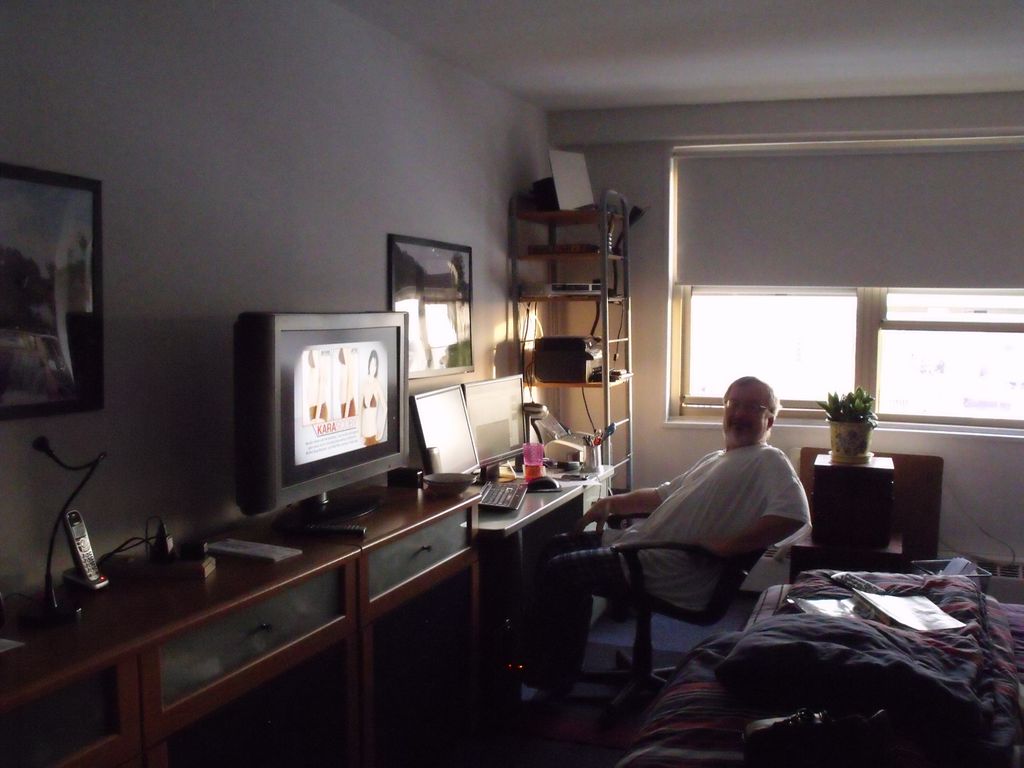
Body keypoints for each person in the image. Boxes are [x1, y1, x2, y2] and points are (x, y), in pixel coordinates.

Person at [524, 375, 810, 693]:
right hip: (644, 549)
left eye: (752, 408)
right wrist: (611, 502)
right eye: (734, 404)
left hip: (668, 567)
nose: (739, 414)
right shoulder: (717, 459)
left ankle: (548, 675)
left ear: (769, 419)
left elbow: (794, 515)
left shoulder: (768, 459)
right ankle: (558, 666)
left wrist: (727, 548)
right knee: (556, 547)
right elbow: (659, 496)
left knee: (562, 570)